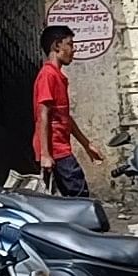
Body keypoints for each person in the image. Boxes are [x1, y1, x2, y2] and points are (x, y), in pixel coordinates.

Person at [31, 25, 91, 201]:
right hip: (55, 149)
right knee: (79, 194)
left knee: (70, 196)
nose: (73, 50)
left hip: (58, 148)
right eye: (70, 44)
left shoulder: (57, 76)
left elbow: (64, 117)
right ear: (57, 46)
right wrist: (45, 155)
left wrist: (87, 144)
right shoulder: (48, 76)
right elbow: (43, 116)